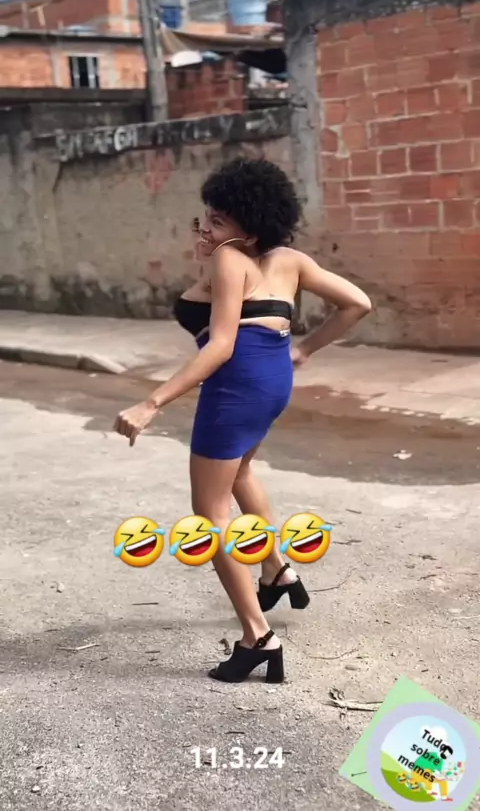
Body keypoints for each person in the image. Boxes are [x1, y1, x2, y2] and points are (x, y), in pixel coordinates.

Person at [114, 157, 371, 684]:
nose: (205, 230)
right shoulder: (288, 261)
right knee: (241, 474)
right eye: (204, 217)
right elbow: (357, 303)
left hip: (234, 388)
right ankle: (276, 570)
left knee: (209, 514)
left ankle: (259, 639)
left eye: (218, 222)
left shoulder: (230, 260)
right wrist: (304, 349)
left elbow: (221, 345)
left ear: (249, 231)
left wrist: (151, 403)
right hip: (271, 381)